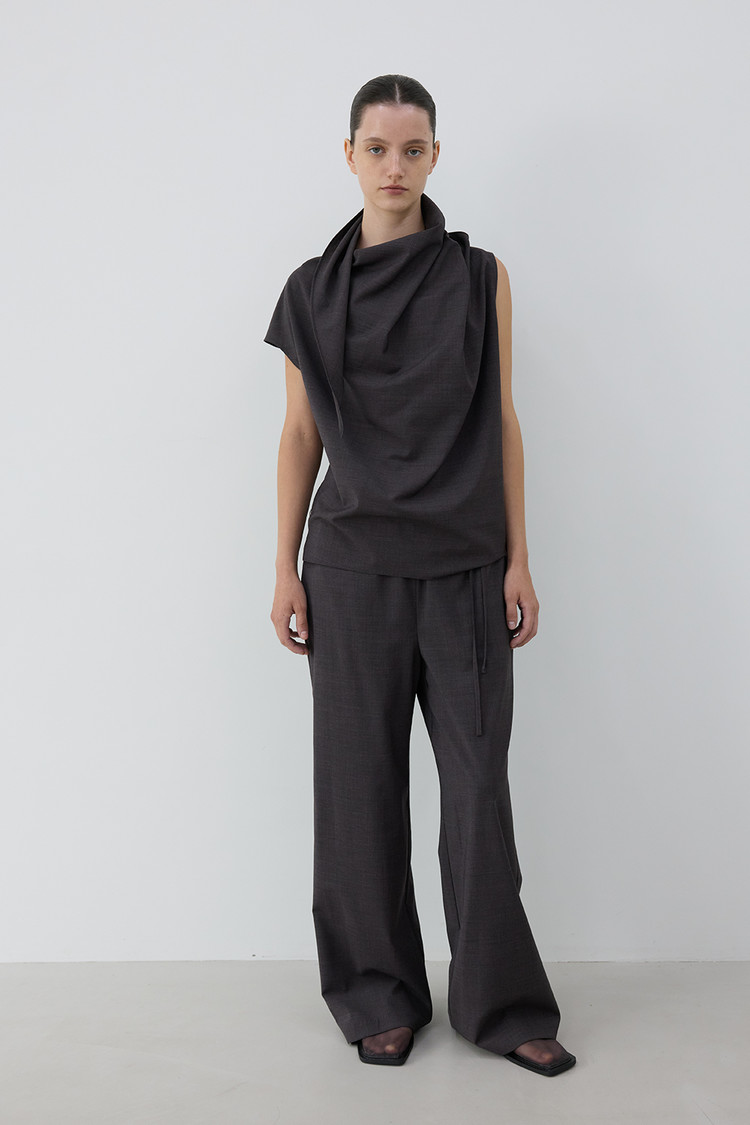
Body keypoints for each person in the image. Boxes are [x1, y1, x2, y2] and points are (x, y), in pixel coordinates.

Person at [266, 74, 576, 1077]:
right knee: (357, 794)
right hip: (350, 568)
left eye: (412, 149)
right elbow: (300, 435)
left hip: (467, 568)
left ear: (436, 156)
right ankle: (377, 994)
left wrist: (520, 556)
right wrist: (283, 568)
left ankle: (502, 1003)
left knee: (478, 791)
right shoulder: (310, 292)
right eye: (377, 148)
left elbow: (504, 419)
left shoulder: (480, 277)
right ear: (350, 155)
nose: (394, 167)